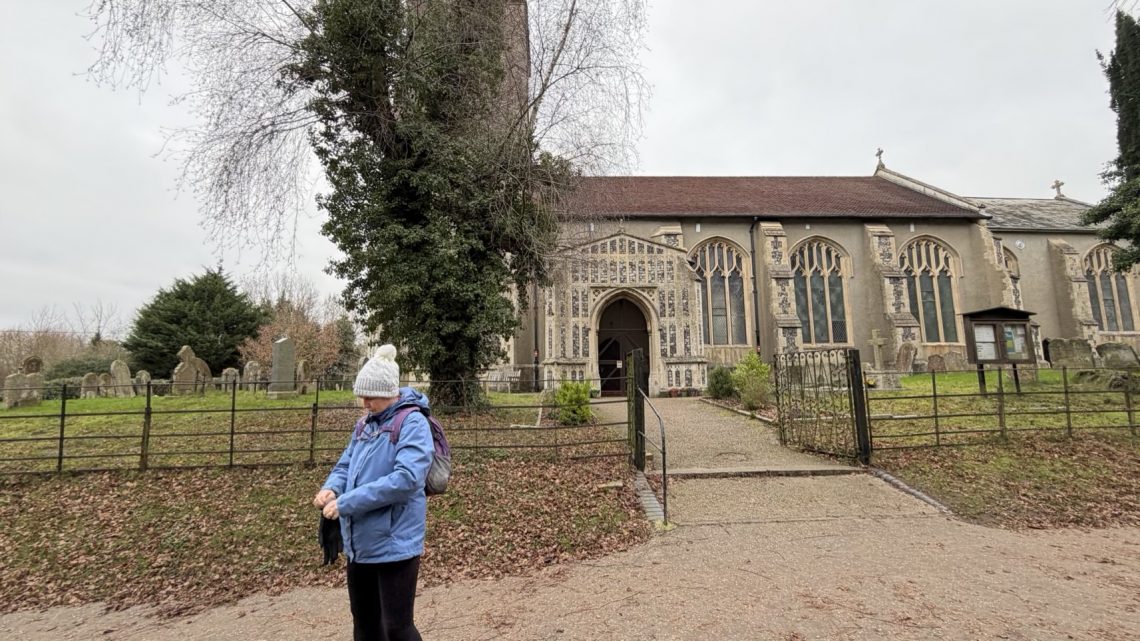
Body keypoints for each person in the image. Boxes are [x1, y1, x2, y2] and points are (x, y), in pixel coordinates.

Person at [313, 344, 434, 641]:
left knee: (397, 628)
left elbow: (406, 479)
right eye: (362, 396)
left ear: (389, 392)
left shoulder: (413, 423)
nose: (364, 402)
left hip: (395, 541)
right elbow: (345, 464)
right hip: (361, 541)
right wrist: (331, 488)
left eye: (371, 396)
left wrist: (347, 503)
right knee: (365, 625)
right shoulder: (364, 425)